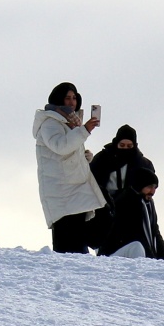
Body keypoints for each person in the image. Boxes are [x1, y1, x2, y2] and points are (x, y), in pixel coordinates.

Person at [34, 81, 107, 253]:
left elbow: (66, 152)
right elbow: (61, 146)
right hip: (61, 191)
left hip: (73, 190)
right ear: (58, 99)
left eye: (74, 97)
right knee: (67, 243)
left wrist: (83, 157)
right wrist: (85, 130)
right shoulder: (50, 122)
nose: (72, 101)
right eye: (67, 98)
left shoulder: (70, 123)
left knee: (76, 241)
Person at [100, 167, 164, 260]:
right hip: (114, 254)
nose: (153, 192)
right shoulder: (127, 201)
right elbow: (137, 235)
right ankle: (144, 269)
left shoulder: (148, 203)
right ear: (140, 185)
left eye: (155, 187)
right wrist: (153, 259)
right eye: (150, 187)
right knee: (137, 247)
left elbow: (155, 232)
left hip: (143, 249)